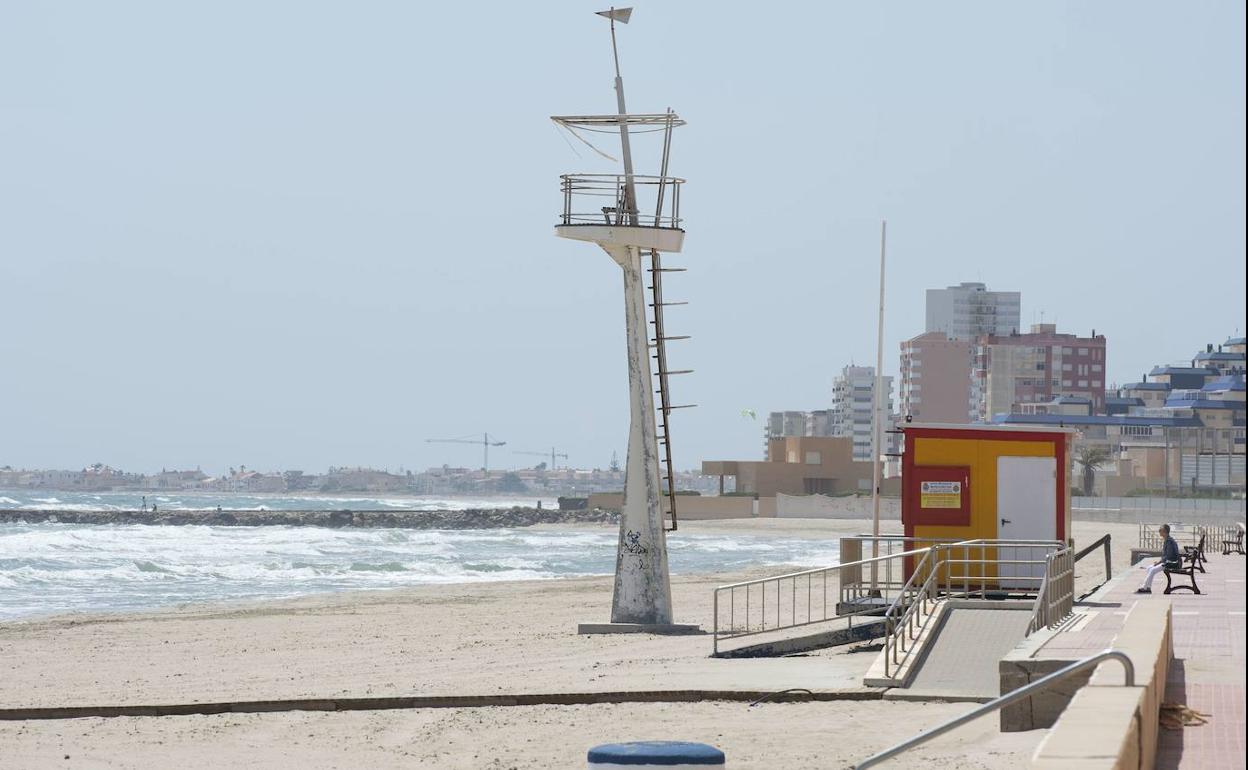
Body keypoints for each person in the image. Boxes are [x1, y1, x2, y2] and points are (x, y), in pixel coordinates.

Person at [1136, 524, 1181, 594]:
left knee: (1153, 570)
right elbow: (1166, 556)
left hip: (1172, 563)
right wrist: (1159, 562)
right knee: (1149, 568)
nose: (1159, 531)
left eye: (1160, 530)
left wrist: (1159, 562)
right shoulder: (1167, 540)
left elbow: (1169, 556)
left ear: (1164, 532)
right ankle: (1148, 588)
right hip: (1169, 562)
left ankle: (1144, 587)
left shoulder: (1169, 542)